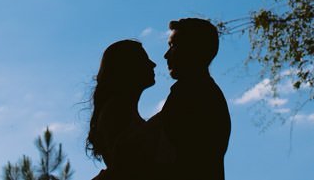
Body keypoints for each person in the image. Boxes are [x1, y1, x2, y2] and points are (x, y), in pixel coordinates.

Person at [148, 18, 231, 180]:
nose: (166, 55)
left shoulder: (190, 93)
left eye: (173, 46)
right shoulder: (206, 92)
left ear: (192, 49)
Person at [87, 39, 173, 179]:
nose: (153, 64)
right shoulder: (116, 111)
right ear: (127, 67)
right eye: (144, 60)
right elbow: (125, 163)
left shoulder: (119, 110)